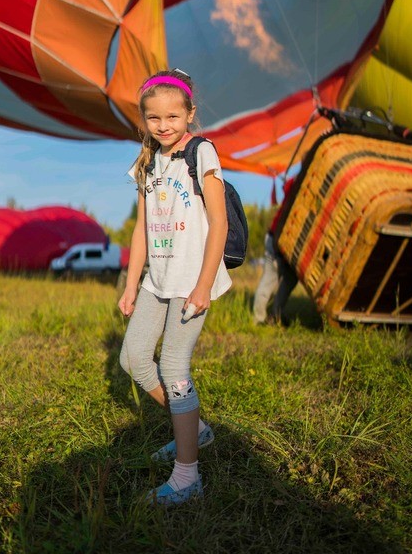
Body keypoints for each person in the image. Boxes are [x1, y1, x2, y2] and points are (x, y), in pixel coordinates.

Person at [118, 69, 231, 506]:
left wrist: (203, 286)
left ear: (190, 114)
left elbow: (218, 221)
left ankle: (188, 477)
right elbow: (141, 231)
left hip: (190, 280)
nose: (163, 125)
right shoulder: (147, 160)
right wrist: (131, 286)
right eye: (153, 118)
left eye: (172, 116)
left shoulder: (201, 153)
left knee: (174, 369)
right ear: (143, 119)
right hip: (156, 280)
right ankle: (195, 430)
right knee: (133, 359)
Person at [253, 179, 298, 325]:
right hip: (276, 239)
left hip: (282, 240)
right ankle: (258, 319)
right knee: (270, 278)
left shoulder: (294, 183)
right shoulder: (297, 185)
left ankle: (276, 315)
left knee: (290, 278)